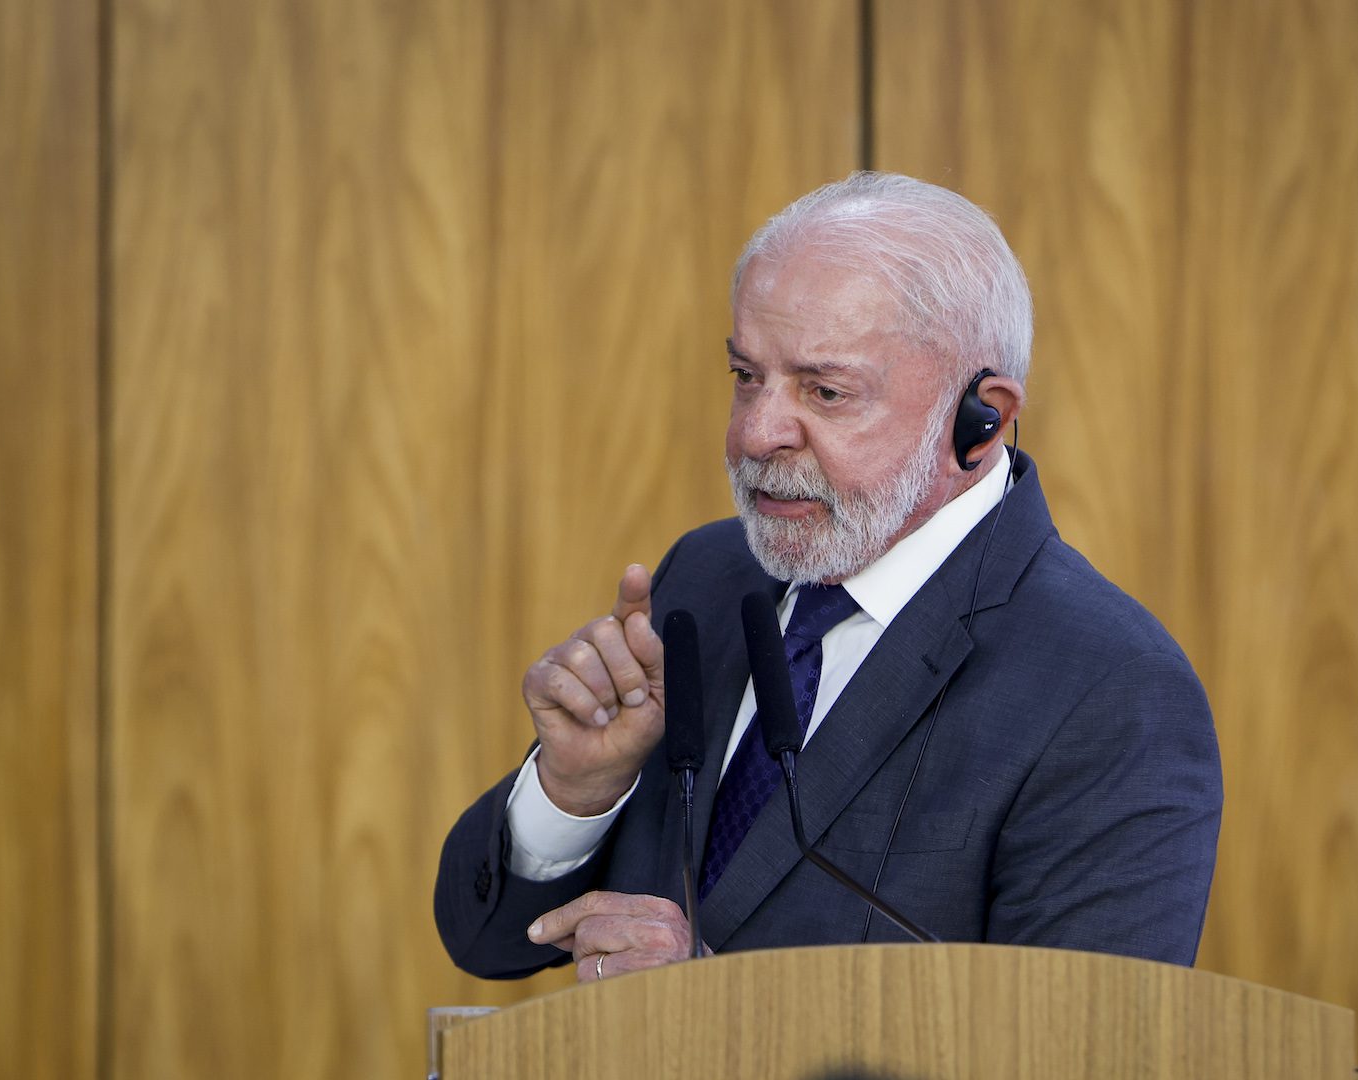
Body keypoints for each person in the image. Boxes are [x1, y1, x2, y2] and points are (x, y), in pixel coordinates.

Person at [434, 172, 1221, 983]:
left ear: (980, 420)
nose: (757, 433)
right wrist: (573, 793)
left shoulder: (1113, 690)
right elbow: (486, 941)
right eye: (747, 377)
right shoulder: (705, 578)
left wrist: (720, 1018)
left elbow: (1081, 1043)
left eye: (826, 391)